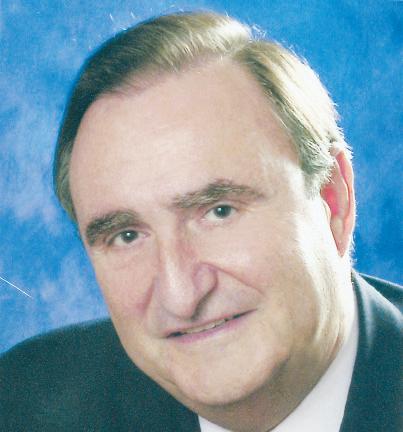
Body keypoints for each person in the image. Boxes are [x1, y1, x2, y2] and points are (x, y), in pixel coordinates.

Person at [0, 11, 401, 432]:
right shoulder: (23, 403)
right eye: (127, 235)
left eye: (219, 211)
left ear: (332, 201)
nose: (181, 297)